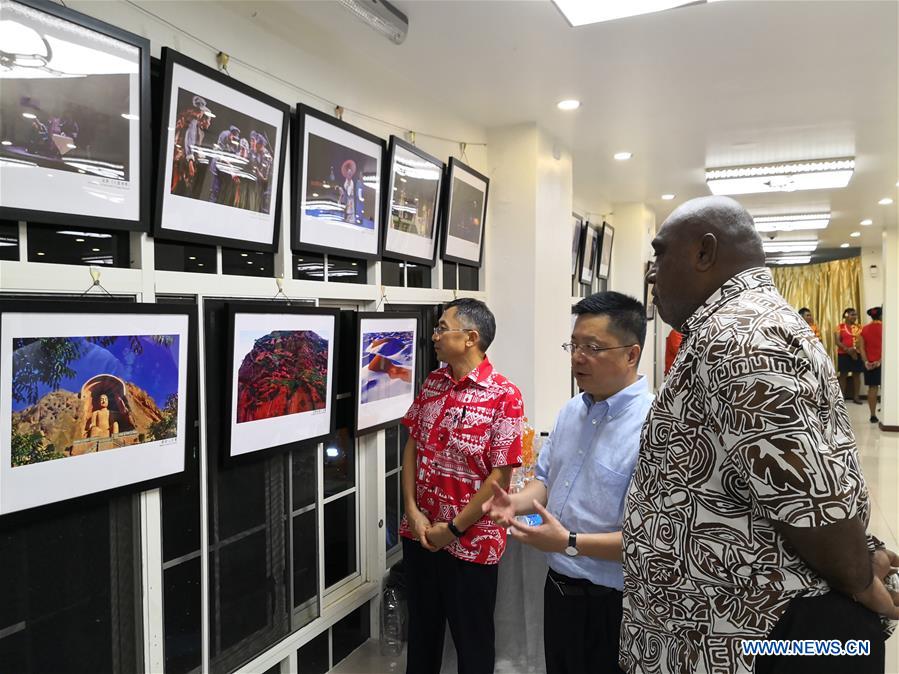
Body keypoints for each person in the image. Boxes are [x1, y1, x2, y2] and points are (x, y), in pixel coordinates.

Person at [621, 195, 899, 674]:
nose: (651, 273)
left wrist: (863, 583)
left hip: (763, 638)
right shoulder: (736, 328)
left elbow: (807, 502)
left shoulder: (739, 339)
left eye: (660, 254)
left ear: (704, 254)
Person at [483, 291, 652, 674]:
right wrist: (516, 503)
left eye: (593, 347)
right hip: (558, 589)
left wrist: (570, 543)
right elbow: (545, 480)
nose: (578, 357)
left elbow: (648, 542)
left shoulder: (653, 427)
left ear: (631, 354)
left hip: (615, 603)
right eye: (574, 345)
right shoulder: (572, 410)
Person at [400, 298, 524, 674]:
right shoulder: (433, 381)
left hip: (471, 543)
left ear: (470, 338)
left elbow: (499, 477)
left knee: (473, 644)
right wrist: (411, 510)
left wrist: (452, 530)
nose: (434, 336)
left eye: (441, 328)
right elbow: (413, 445)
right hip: (420, 534)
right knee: (421, 637)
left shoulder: (504, 396)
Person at [836, 307, 865, 404]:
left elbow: (861, 340)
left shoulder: (859, 327)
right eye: (852, 314)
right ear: (846, 316)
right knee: (843, 375)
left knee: (856, 375)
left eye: (855, 315)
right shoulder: (840, 327)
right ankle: (842, 397)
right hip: (843, 354)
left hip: (856, 354)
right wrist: (847, 349)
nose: (855, 317)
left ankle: (856, 397)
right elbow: (837, 341)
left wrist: (854, 350)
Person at [861, 306, 883, 423]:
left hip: (869, 363)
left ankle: (873, 415)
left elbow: (862, 348)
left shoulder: (864, 329)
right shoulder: (886, 328)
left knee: (872, 389)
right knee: (888, 388)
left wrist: (866, 362)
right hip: (883, 363)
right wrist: (879, 361)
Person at [209, 125, 240, 203]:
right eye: (234, 137)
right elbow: (221, 155)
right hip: (216, 169)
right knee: (214, 192)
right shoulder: (225, 134)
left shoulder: (231, 143)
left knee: (218, 193)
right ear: (231, 134)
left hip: (222, 171)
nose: (234, 140)